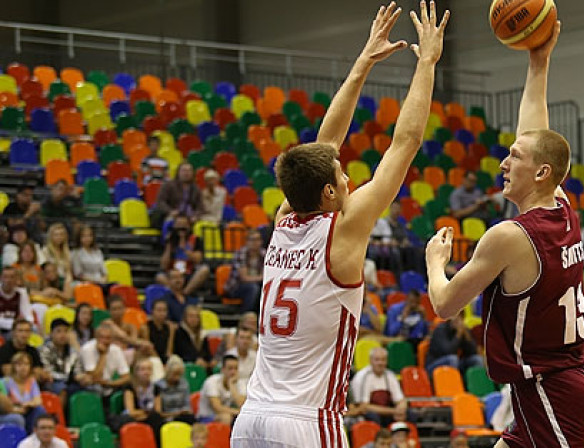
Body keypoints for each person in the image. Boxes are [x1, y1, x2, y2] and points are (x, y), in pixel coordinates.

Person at [231, 3, 449, 447]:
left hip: (250, 418)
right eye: (342, 176)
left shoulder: (284, 216)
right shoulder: (344, 230)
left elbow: (322, 147)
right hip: (307, 421)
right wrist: (426, 62)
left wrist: (363, 62)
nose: (349, 177)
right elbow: (404, 144)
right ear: (329, 193)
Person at [425, 19, 584, 448]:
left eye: (513, 157)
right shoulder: (562, 207)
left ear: (541, 173)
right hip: (570, 377)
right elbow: (534, 130)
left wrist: (435, 264)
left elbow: (446, 304)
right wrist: (538, 61)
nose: (503, 164)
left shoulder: (508, 236)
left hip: (550, 389)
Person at [349, 347, 408, 426]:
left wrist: (401, 410)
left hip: (388, 410)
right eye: (377, 360)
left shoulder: (390, 375)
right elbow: (363, 406)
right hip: (369, 413)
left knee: (410, 414)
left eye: (383, 360)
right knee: (374, 416)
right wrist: (393, 411)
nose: (380, 363)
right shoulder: (362, 376)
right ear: (370, 361)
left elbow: (401, 400)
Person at [156, 214, 210, 297]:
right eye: (178, 227)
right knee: (159, 277)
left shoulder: (196, 239)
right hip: (173, 273)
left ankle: (184, 294)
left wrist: (185, 249)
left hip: (189, 273)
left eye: (183, 227)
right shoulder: (170, 241)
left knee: (204, 270)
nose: (181, 231)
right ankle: (175, 294)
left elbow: (198, 259)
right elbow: (163, 265)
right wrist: (169, 247)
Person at [39, 318, 89, 400]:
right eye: (59, 331)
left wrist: (82, 377)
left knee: (88, 390)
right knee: (62, 389)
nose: (63, 334)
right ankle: (59, 413)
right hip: (51, 382)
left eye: (66, 331)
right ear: (51, 334)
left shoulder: (72, 351)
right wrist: (72, 377)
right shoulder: (44, 350)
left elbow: (78, 370)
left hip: (69, 382)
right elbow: (48, 373)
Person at [80, 322, 130, 398]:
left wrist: (110, 383)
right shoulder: (87, 349)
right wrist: (103, 355)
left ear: (112, 339)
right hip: (90, 385)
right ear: (96, 338)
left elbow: (126, 377)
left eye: (108, 338)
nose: (104, 341)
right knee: (96, 388)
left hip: (109, 384)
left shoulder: (116, 350)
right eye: (101, 337)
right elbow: (94, 377)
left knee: (128, 387)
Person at [425, 310, 482, 376]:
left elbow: (473, 352)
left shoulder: (463, 330)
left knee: (477, 359)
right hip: (433, 365)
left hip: (455, 363)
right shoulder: (441, 329)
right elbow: (448, 351)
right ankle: (454, 384)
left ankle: (473, 385)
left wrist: (467, 336)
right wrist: (458, 335)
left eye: (460, 316)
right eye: (455, 316)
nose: (458, 319)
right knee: (452, 359)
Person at [224, 229, 267, 313]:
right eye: (252, 240)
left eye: (257, 239)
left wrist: (262, 278)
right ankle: (246, 314)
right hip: (236, 286)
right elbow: (244, 278)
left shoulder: (264, 254)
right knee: (253, 288)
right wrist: (261, 278)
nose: (255, 242)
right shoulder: (241, 253)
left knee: (264, 288)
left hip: (257, 283)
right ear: (247, 241)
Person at [120, 357, 164, 437]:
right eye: (143, 369)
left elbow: (158, 411)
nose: (146, 372)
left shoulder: (156, 388)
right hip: (134, 419)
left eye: (149, 369)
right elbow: (131, 412)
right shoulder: (130, 387)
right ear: (136, 372)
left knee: (156, 418)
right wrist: (146, 412)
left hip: (150, 418)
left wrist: (145, 413)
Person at [4, 351, 47, 431]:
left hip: (26, 411)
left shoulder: (32, 381)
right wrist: (17, 410)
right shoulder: (5, 382)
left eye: (26, 364)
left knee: (40, 409)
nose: (23, 367)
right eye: (19, 364)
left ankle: (36, 438)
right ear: (14, 367)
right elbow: (3, 406)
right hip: (10, 412)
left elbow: (38, 400)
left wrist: (29, 404)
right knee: (18, 418)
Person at [152, 162, 204, 226]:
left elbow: (200, 207)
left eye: (189, 171)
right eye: (184, 170)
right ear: (178, 172)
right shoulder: (168, 185)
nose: (186, 173)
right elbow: (160, 202)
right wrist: (170, 211)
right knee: (171, 222)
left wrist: (196, 216)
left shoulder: (196, 188)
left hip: (189, 217)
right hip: (172, 215)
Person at [198, 354, 245, 424]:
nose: (233, 372)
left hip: (229, 414)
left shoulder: (240, 382)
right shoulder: (211, 382)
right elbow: (217, 407)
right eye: (230, 368)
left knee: (243, 419)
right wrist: (237, 412)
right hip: (206, 417)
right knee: (226, 417)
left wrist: (231, 385)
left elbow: (242, 405)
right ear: (222, 369)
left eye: (236, 368)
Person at [155, 355, 195, 424]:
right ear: (168, 372)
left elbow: (187, 406)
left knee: (190, 418)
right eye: (175, 374)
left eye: (179, 374)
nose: (177, 377)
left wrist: (184, 412)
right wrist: (175, 414)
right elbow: (159, 413)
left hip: (182, 416)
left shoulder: (184, 384)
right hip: (166, 417)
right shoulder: (158, 386)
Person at [0, 266, 34, 336]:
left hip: (15, 328)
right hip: (4, 327)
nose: (8, 280)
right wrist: (14, 323)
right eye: (5, 277)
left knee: (34, 329)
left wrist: (27, 323)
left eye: (12, 277)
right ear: (1, 278)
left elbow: (28, 315)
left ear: (16, 279)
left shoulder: (21, 292)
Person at [140, 299, 175, 363]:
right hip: (150, 357)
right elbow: (149, 349)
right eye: (159, 310)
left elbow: (169, 350)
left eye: (164, 310)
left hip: (164, 358)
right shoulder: (145, 327)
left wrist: (168, 362)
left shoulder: (170, 327)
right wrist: (160, 363)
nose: (162, 313)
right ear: (152, 311)